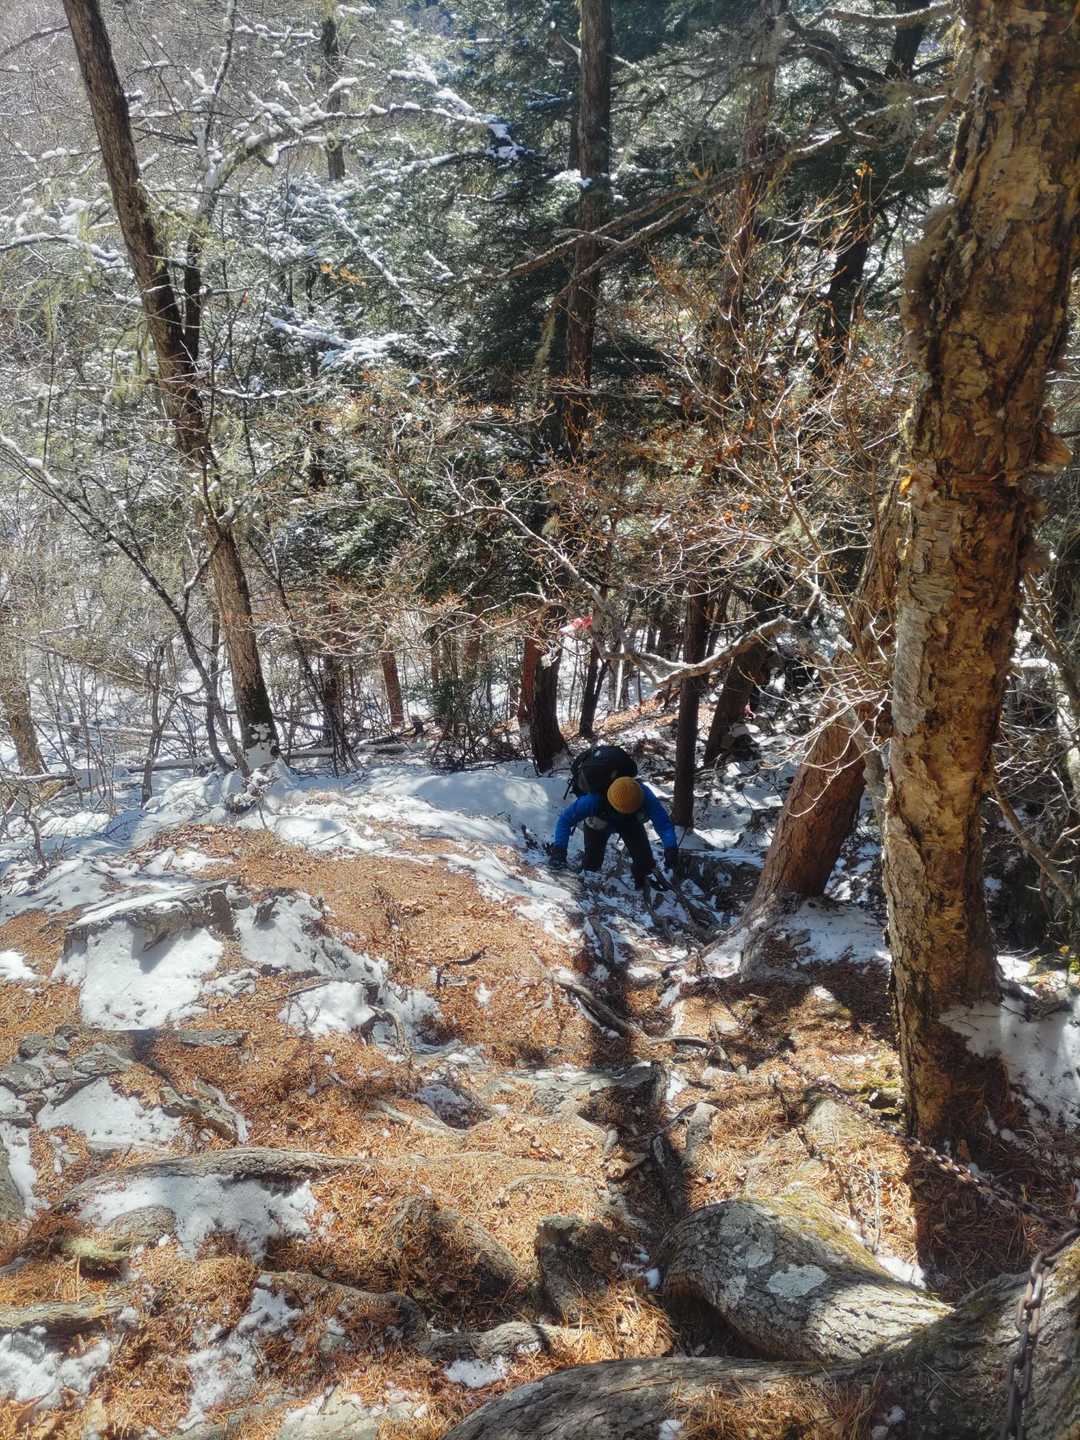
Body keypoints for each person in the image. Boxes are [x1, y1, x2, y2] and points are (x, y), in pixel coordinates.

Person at [548, 775, 679, 890]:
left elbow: (663, 825)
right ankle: (588, 877)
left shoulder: (645, 796)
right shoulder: (593, 800)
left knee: (645, 862)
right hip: (599, 822)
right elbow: (565, 820)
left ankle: (642, 885)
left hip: (631, 823)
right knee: (592, 862)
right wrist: (559, 850)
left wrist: (671, 848)